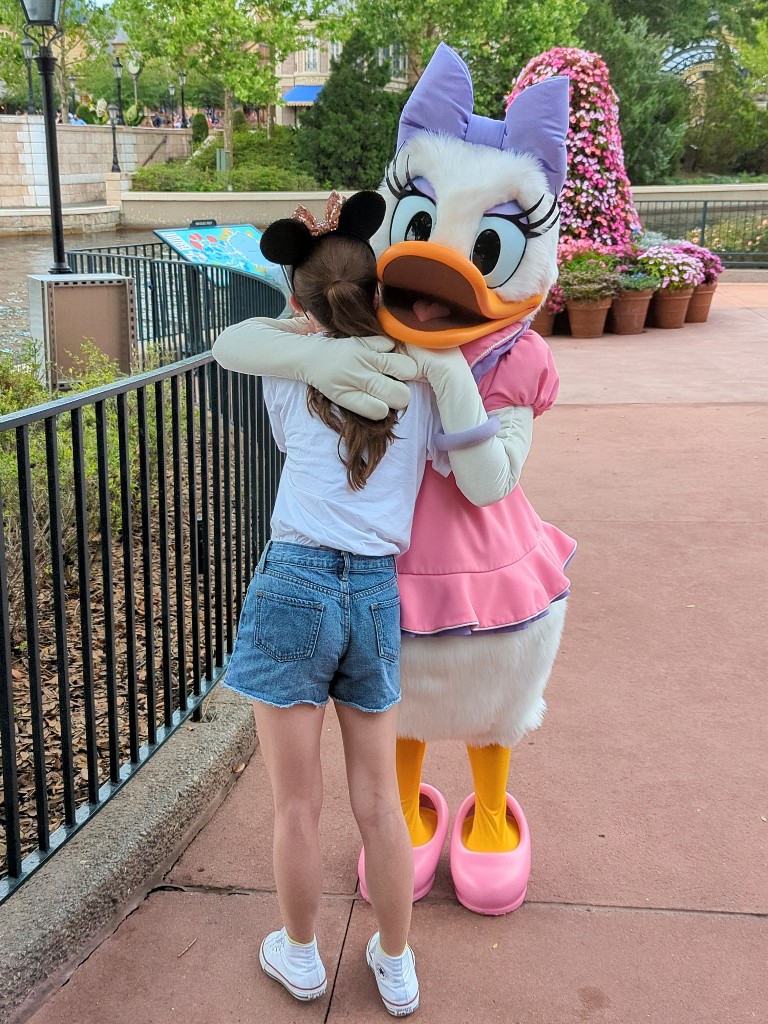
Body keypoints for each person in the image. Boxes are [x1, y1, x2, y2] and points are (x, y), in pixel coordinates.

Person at [213, 190, 497, 1016]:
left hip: (295, 579)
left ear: (300, 306)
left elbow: (259, 334)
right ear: (378, 293)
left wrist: (304, 313)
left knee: (295, 805)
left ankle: (301, 958)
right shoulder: (422, 382)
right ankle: (397, 961)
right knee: (381, 802)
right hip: (375, 592)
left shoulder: (289, 374)